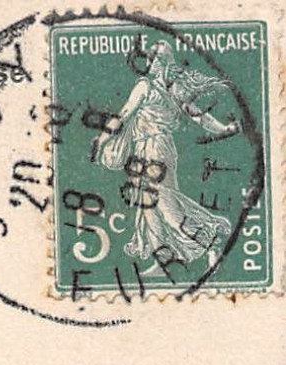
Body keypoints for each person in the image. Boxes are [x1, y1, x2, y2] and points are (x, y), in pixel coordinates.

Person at [90, 40, 240, 271]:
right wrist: (225, 129)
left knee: (166, 206)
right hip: (158, 150)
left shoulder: (144, 86)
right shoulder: (174, 91)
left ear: (157, 62)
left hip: (153, 151)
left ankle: (210, 245)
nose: (148, 62)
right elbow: (201, 117)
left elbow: (122, 117)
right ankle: (163, 260)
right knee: (149, 208)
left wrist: (100, 141)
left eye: (152, 58)